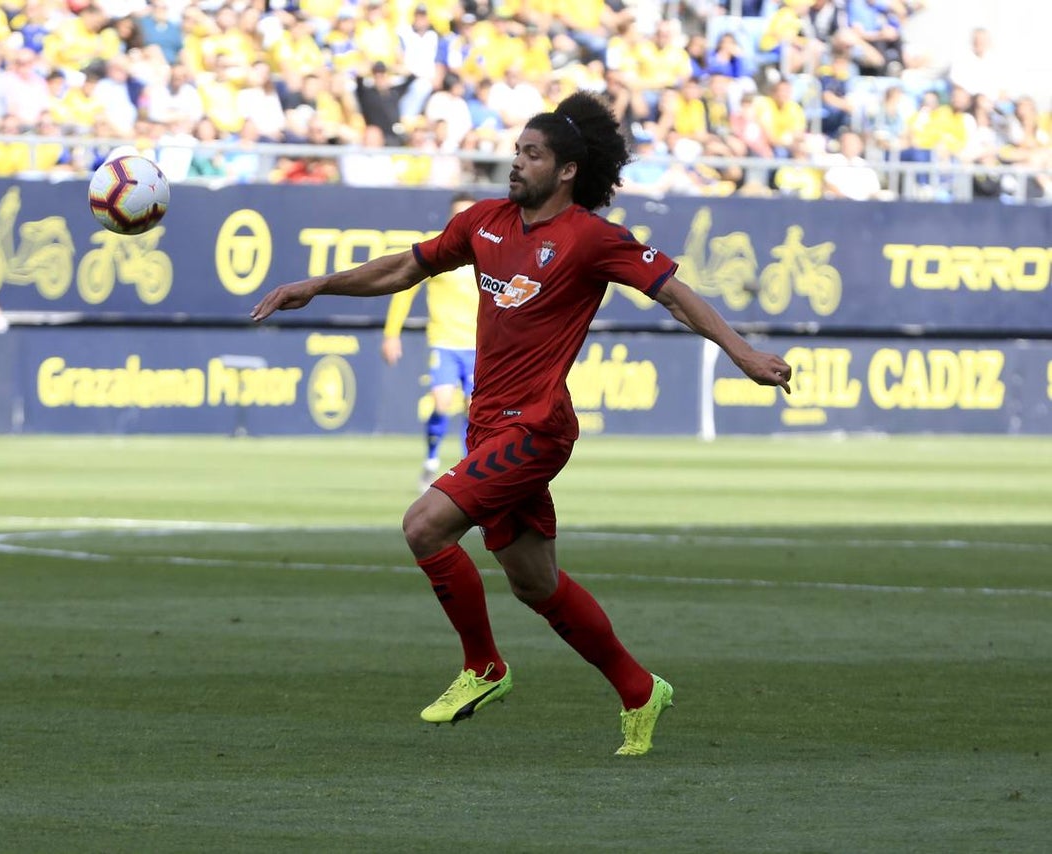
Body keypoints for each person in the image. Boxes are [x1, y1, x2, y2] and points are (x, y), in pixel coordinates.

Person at [251, 91, 792, 756]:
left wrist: (741, 351)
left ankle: (483, 667)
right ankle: (638, 688)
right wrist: (319, 285)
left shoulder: (592, 239)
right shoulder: (484, 222)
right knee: (535, 582)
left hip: (535, 429)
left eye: (531, 155)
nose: (516, 164)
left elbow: (674, 294)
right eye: (516, 151)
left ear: (566, 171)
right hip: (488, 428)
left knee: (423, 525)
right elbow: (404, 266)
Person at [381, 192, 479, 492]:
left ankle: (466, 470)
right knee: (442, 402)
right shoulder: (439, 251)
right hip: (445, 342)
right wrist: (391, 333)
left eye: (468, 214)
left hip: (479, 345)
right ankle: (431, 461)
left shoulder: (487, 252)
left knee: (474, 409)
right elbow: (404, 289)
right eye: (457, 214)